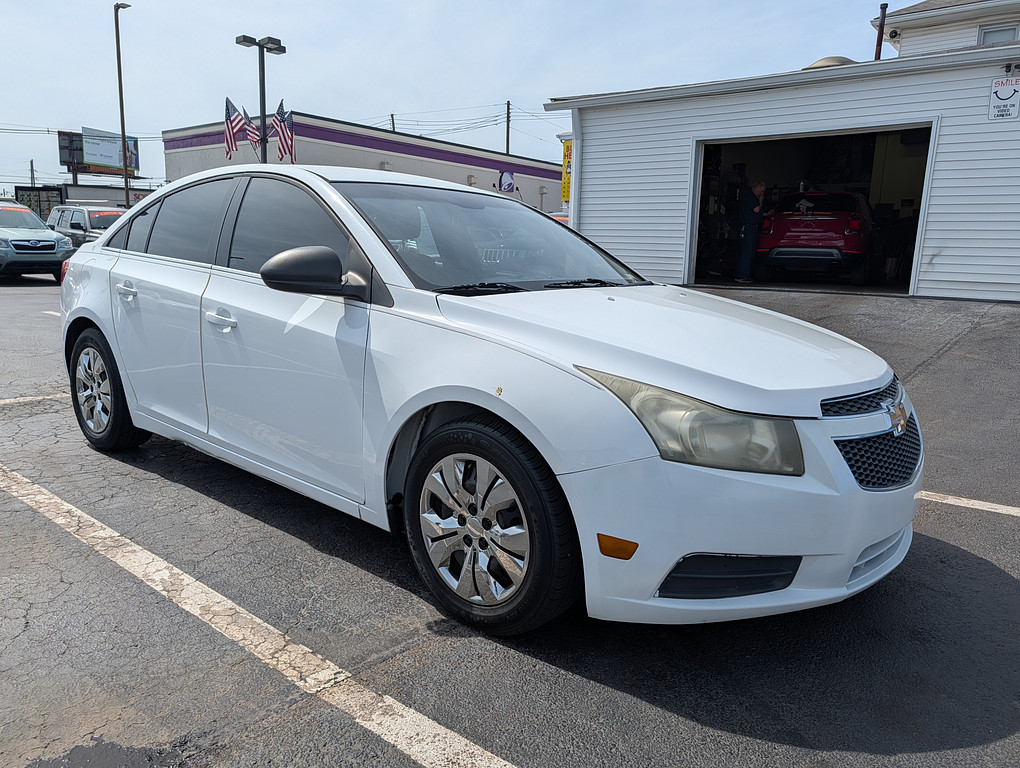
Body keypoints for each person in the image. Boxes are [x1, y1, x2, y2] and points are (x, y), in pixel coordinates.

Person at [736, 181, 766, 283]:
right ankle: (742, 275)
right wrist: (761, 200)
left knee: (749, 252)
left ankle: (745, 274)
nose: (761, 195)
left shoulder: (750, 197)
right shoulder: (750, 197)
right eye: (761, 192)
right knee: (747, 252)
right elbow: (756, 209)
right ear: (756, 188)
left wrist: (766, 214)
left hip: (751, 227)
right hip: (748, 228)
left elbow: (754, 213)